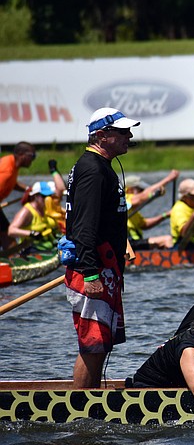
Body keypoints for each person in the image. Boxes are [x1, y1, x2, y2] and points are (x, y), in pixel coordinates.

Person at [64, 107, 140, 388]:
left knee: (102, 342)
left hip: (104, 267)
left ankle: (93, 400)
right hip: (92, 271)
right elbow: (84, 227)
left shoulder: (100, 167)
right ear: (101, 135)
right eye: (122, 132)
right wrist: (91, 274)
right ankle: (81, 409)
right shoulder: (93, 170)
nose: (129, 136)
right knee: (93, 343)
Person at [126, 171, 180, 249]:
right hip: (127, 244)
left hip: (135, 242)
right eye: (140, 190)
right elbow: (142, 197)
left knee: (162, 243)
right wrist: (168, 179)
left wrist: (165, 215)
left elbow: (144, 224)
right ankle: (177, 259)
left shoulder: (132, 210)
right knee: (166, 239)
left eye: (143, 190)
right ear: (129, 190)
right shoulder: (124, 199)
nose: (142, 192)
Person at [0, 142, 37, 250]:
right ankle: (13, 257)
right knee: (5, 235)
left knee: (5, 234)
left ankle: (10, 256)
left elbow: (11, 183)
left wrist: (27, 189)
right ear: (21, 154)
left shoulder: (12, 164)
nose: (33, 160)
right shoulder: (6, 170)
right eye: (32, 156)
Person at [7, 181, 59, 252]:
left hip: (47, 247)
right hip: (30, 248)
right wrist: (31, 233)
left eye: (49, 196)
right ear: (35, 196)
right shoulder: (27, 211)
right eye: (44, 196)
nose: (47, 199)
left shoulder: (47, 208)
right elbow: (11, 230)